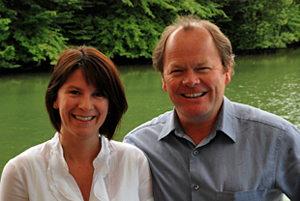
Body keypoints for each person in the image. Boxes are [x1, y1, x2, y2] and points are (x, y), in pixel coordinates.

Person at [123, 15, 300, 200]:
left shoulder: (278, 139)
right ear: (163, 80)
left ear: (227, 72)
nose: (191, 81)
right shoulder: (138, 148)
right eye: (177, 71)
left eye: (203, 68)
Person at [0, 46, 154, 201]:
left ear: (110, 104)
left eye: (99, 94)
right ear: (55, 99)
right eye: (74, 92)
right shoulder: (21, 171)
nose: (86, 106)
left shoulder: (133, 161)